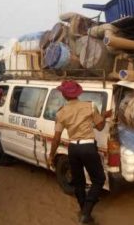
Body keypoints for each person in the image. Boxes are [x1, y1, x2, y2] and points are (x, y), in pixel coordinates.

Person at [47, 80, 112, 224]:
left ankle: (84, 211)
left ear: (64, 95)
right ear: (78, 93)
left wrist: (52, 154)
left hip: (73, 149)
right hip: (88, 147)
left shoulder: (61, 112)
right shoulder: (90, 106)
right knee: (99, 179)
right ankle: (86, 211)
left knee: (79, 181)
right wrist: (104, 116)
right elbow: (100, 127)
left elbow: (56, 137)